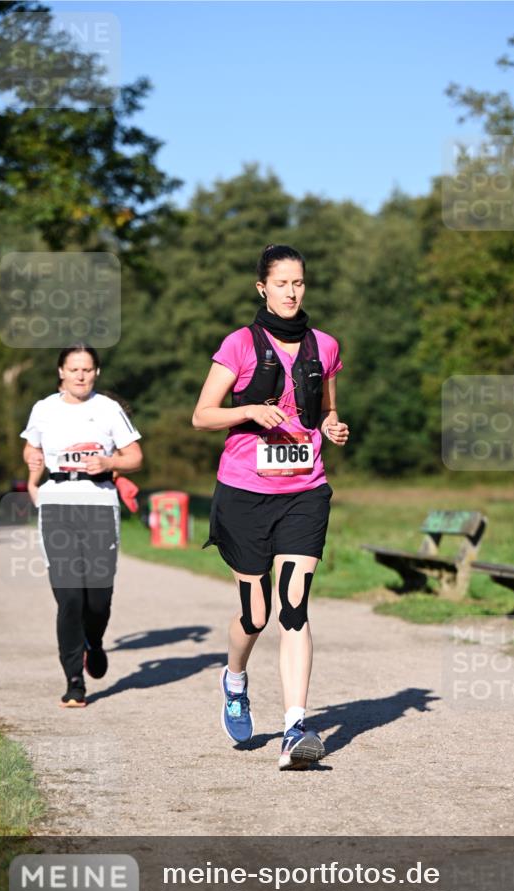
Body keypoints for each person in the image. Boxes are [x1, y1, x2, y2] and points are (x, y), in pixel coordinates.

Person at [192, 244, 349, 770]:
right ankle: (235, 678)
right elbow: (202, 416)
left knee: (295, 604)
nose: (291, 292)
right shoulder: (238, 345)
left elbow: (326, 411)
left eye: (299, 283)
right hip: (244, 492)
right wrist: (251, 409)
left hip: (305, 490)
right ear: (262, 287)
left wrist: (333, 427)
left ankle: (295, 728)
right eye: (281, 283)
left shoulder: (324, 346)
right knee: (255, 614)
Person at [21, 345, 143, 707]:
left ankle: (94, 640)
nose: (80, 375)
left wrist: (109, 460)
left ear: (96, 373)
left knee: (98, 598)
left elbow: (135, 456)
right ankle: (74, 680)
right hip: (57, 502)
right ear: (61, 371)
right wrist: (33, 468)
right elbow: (31, 448)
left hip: (99, 505)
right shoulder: (43, 409)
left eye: (87, 369)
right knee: (69, 596)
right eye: (73, 369)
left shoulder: (107, 409)